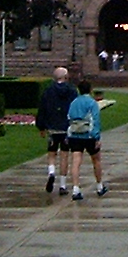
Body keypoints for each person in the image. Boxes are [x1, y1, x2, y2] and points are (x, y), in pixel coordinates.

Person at [36, 66, 77, 194]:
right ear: (65, 77)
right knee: (64, 155)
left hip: (52, 128)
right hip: (66, 128)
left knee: (52, 153)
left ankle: (52, 172)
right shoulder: (72, 91)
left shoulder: (48, 91)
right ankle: (63, 185)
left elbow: (42, 109)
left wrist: (41, 126)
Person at [66, 79, 106, 200]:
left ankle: (75, 189)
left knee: (76, 162)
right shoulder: (92, 103)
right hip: (88, 135)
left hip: (74, 135)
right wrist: (96, 137)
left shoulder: (73, 102)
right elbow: (95, 120)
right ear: (90, 90)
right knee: (96, 160)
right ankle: (99, 186)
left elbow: (69, 118)